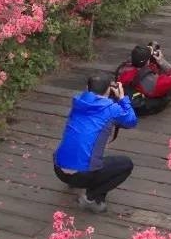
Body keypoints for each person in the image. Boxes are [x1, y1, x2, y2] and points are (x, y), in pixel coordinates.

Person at [53, 72, 138, 213]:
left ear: (87, 88)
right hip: (82, 175)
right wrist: (122, 98)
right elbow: (131, 120)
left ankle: (72, 181)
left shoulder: (78, 102)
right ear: (109, 90)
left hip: (59, 169)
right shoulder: (111, 109)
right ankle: (91, 198)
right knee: (126, 164)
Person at [114, 41, 171, 116]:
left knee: (154, 46)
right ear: (147, 61)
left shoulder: (123, 68)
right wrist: (161, 61)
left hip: (139, 89)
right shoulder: (152, 82)